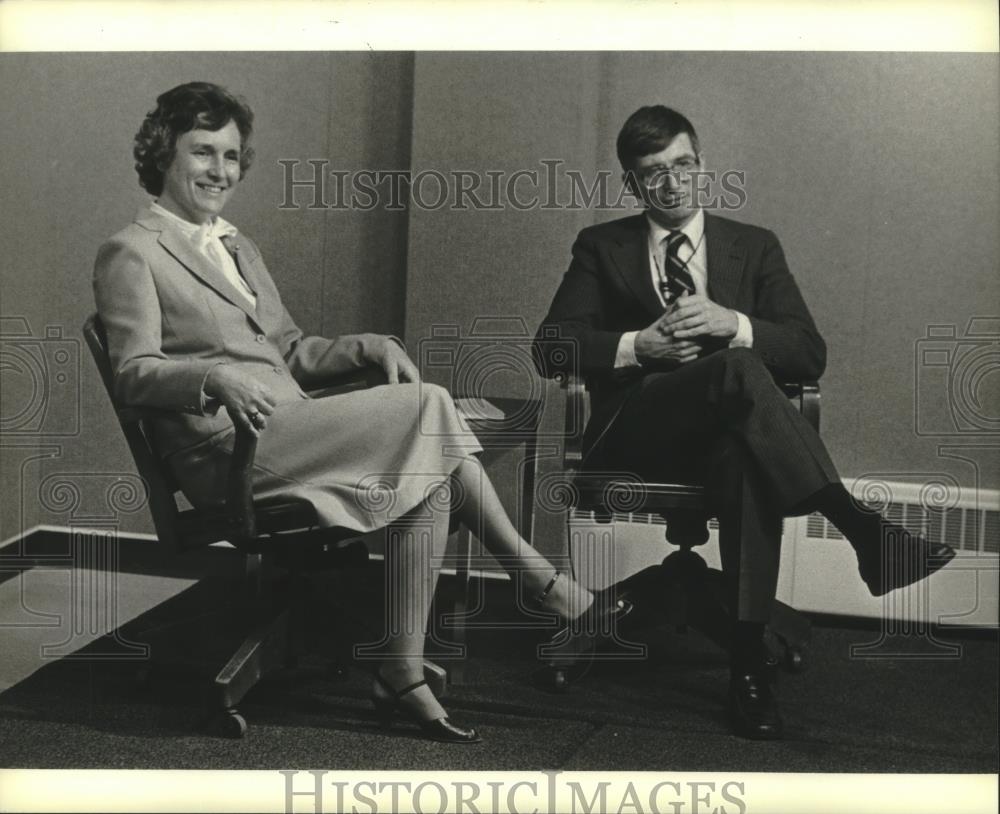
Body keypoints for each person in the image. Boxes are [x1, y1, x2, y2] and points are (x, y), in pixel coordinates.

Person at [93, 82, 620, 745]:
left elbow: (289, 351)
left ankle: (401, 672)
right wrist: (215, 375)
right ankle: (543, 585)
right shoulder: (132, 252)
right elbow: (133, 373)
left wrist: (364, 347)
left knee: (432, 472)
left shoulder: (235, 246)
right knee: (428, 408)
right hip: (228, 452)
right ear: (162, 154)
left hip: (292, 429)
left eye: (231, 156)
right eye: (203, 152)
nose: (220, 171)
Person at [532, 105, 956, 740]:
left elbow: (809, 353)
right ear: (632, 184)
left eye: (683, 166)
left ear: (702, 166)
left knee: (746, 449)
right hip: (638, 432)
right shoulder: (603, 246)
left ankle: (747, 663)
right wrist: (635, 346)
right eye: (653, 174)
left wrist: (735, 323)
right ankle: (862, 531)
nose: (672, 183)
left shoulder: (753, 246)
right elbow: (551, 348)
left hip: (729, 441)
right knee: (737, 371)